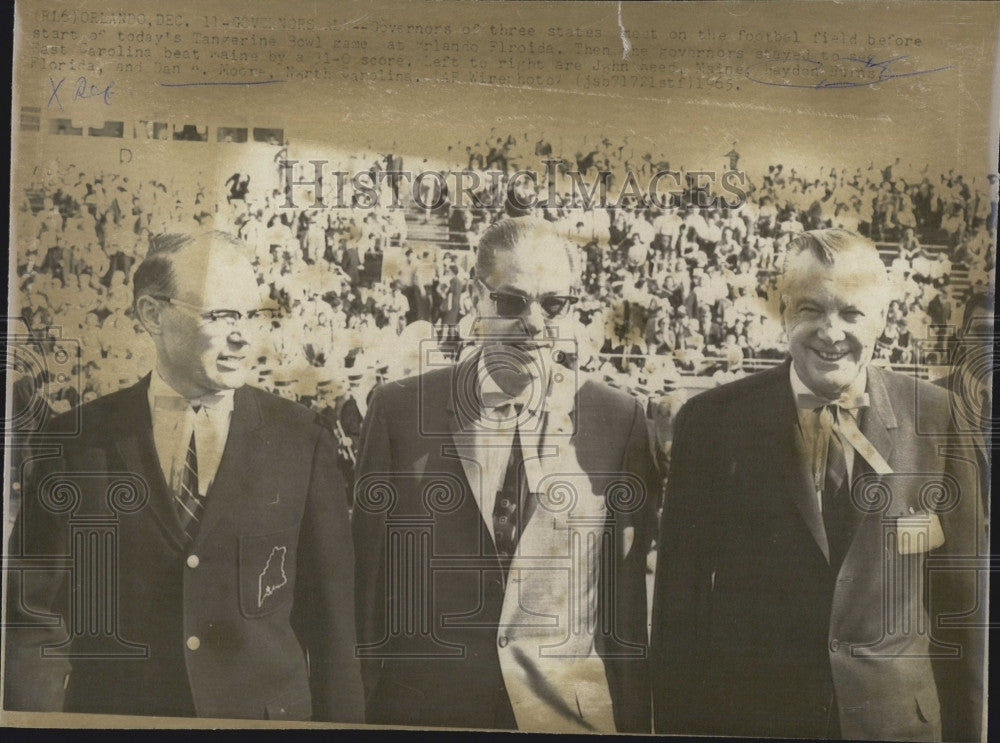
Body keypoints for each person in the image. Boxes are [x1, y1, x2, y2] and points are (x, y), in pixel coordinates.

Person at [5, 231, 364, 722]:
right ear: (151, 314)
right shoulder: (75, 443)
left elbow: (333, 632)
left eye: (250, 315)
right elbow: (34, 619)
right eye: (220, 315)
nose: (242, 335)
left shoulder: (302, 439)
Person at [651, 229, 985, 741]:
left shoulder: (937, 418)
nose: (831, 333)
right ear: (783, 310)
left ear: (883, 318)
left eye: (851, 312)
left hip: (900, 727)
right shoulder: (712, 421)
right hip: (755, 723)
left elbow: (963, 609)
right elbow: (679, 612)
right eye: (810, 309)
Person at [353, 217, 657, 732]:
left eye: (554, 304)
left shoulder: (618, 418)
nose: (536, 323)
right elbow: (365, 592)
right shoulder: (399, 410)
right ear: (477, 298)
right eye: (513, 302)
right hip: (427, 713)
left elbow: (624, 608)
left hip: (567, 718)